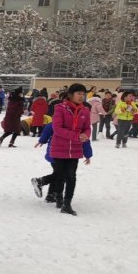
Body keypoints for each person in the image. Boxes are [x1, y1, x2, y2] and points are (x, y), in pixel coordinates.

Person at [49, 83, 91, 215]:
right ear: (70, 95)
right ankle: (59, 198)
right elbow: (57, 129)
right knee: (60, 176)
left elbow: (87, 127)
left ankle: (67, 204)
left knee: (71, 177)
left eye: (83, 94)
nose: (81, 96)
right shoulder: (60, 108)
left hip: (75, 149)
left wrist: (86, 135)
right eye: (78, 93)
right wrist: (77, 136)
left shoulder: (85, 110)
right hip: (60, 147)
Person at [31, 120, 93, 206]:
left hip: (58, 153)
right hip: (58, 153)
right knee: (61, 175)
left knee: (58, 174)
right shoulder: (61, 122)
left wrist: (42, 140)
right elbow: (49, 129)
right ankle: (41, 181)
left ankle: (51, 195)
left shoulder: (63, 122)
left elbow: (48, 129)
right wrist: (42, 140)